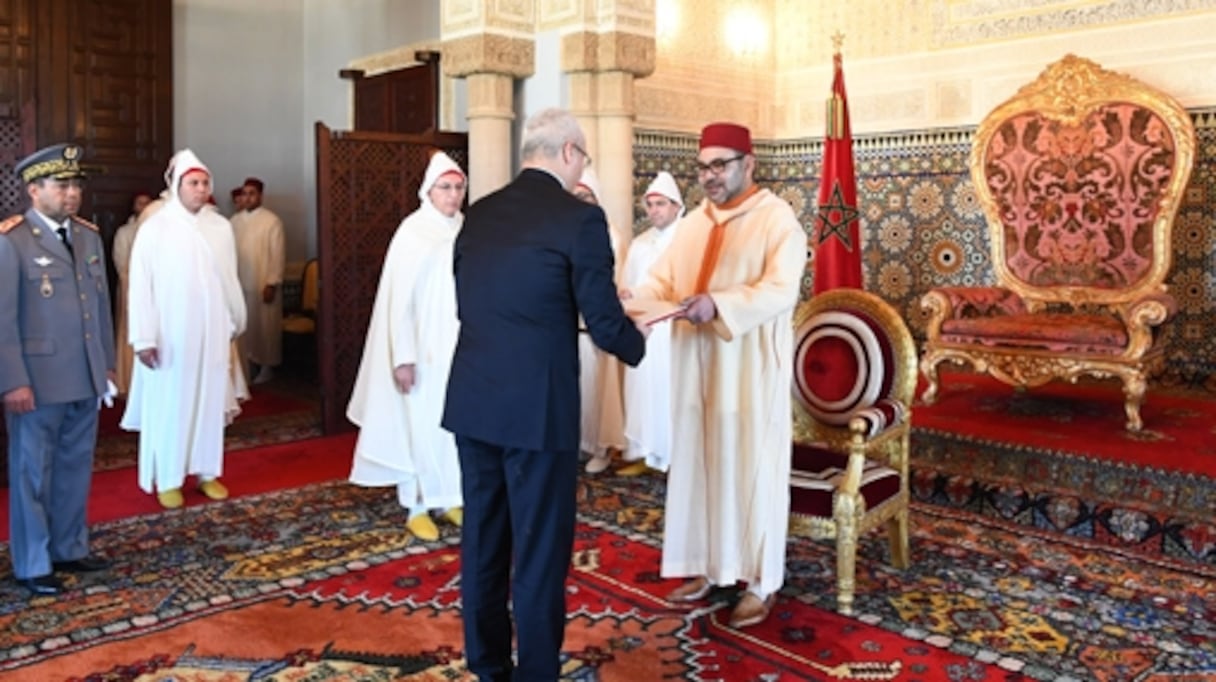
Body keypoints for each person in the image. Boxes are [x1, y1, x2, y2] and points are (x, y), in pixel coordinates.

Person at [442, 107, 647, 681]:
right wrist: (640, 341)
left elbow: (469, 303)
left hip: (475, 402)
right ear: (567, 153)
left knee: (484, 541)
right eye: (582, 156)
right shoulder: (578, 220)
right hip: (537, 411)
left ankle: (487, 667)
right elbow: (605, 324)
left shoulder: (478, 215)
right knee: (537, 551)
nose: (582, 165)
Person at [630, 122, 807, 629]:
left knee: (751, 472)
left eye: (719, 165)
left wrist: (720, 305)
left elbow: (781, 289)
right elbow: (661, 282)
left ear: (748, 164)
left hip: (748, 374)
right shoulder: (694, 224)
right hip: (695, 371)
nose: (709, 176)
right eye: (703, 165)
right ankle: (708, 566)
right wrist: (633, 305)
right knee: (701, 468)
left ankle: (760, 580)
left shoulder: (777, 220)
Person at [0, 143, 117, 595]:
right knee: (31, 473)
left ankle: (69, 546)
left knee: (74, 465)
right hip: (36, 380)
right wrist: (12, 380)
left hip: (83, 375)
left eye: (76, 185)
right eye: (62, 185)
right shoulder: (12, 240)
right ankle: (32, 562)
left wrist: (105, 365)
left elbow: (101, 307)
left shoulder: (88, 236)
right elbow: (3, 319)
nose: (72, 194)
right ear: (34, 190)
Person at [347, 151, 468, 542]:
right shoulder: (413, 232)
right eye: (445, 188)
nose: (453, 195)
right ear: (428, 191)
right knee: (418, 423)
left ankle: (450, 496)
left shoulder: (466, 228)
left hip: (458, 347)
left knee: (454, 423)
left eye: (458, 187)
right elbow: (398, 302)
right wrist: (403, 357)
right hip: (421, 350)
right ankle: (416, 504)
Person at [121, 149, 246, 510]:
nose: (200, 189)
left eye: (205, 182)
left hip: (212, 332)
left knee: (209, 403)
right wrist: (143, 337)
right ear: (176, 185)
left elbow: (228, 279)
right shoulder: (155, 228)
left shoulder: (220, 227)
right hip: (170, 337)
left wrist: (233, 320)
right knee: (172, 406)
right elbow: (141, 286)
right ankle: (169, 477)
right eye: (193, 182)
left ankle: (207, 472)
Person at [617, 171, 685, 476]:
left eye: (660, 204)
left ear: (675, 206)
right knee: (643, 391)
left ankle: (674, 459)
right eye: (650, 205)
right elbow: (629, 285)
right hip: (644, 330)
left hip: (675, 331)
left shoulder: (688, 241)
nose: (654, 210)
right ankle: (645, 453)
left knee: (670, 391)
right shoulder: (641, 243)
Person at [572, 167, 629, 475]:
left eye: (586, 196)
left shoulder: (611, 235)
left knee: (600, 388)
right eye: (576, 196)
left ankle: (601, 447)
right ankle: (582, 443)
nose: (581, 201)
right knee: (579, 387)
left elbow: (615, 280)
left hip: (598, 325)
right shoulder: (568, 230)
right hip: (572, 326)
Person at [233, 177, 285, 385]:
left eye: (252, 193)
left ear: (260, 196)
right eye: (244, 193)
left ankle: (266, 367)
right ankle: (248, 365)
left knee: (265, 327)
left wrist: (272, 282)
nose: (248, 197)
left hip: (263, 283)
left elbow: (277, 254)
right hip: (240, 283)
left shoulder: (272, 221)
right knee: (246, 326)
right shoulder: (234, 221)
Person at [111, 191, 154, 395]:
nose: (144, 207)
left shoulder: (158, 230)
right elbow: (122, 265)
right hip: (130, 287)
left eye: (148, 203)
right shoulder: (125, 232)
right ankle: (127, 380)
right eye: (140, 203)